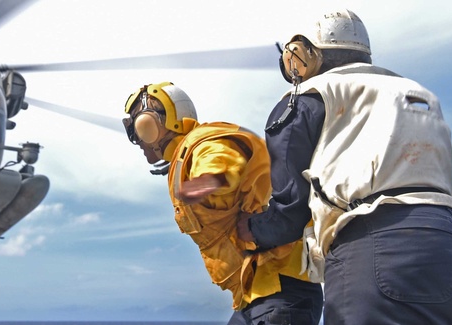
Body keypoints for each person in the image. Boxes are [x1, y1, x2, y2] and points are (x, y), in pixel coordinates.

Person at [236, 8, 452, 324]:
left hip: (372, 242)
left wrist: (249, 230)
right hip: (445, 239)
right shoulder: (419, 94)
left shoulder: (309, 96)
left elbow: (290, 210)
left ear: (300, 54)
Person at [122, 82, 323, 324]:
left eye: (137, 129)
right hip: (254, 293)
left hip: (279, 287)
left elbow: (224, 172)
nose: (136, 140)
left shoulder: (203, 144)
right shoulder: (189, 153)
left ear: (151, 125)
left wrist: (192, 189)